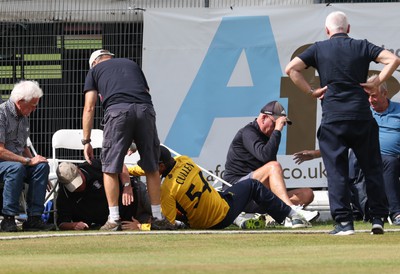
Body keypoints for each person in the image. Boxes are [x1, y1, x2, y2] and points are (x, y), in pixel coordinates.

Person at [285, 11, 400, 235]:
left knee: (336, 171)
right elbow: (394, 60)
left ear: (328, 31)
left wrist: (311, 91)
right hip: (361, 117)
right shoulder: (362, 46)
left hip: (333, 119)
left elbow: (291, 70)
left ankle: (344, 223)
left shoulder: (319, 48)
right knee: (373, 168)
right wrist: (378, 81)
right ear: (348, 29)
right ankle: (378, 218)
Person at [82, 49, 168, 230]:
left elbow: (89, 107)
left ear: (95, 62)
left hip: (117, 112)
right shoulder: (131, 64)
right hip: (145, 110)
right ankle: (158, 218)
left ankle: (113, 220)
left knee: (110, 168)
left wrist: (86, 141)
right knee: (152, 167)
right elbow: (145, 92)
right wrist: (135, 136)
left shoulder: (95, 71)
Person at [128, 146, 310, 230]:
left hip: (212, 219)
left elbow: (165, 226)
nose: (146, 168)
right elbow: (153, 169)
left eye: (148, 165)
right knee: (251, 186)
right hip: (221, 208)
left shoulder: (167, 189)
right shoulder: (184, 160)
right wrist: (129, 170)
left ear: (160, 166)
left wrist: (141, 227)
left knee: (172, 211)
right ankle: (291, 216)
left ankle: (241, 219)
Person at [223, 100, 319, 226]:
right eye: (275, 124)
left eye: (280, 125)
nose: (276, 128)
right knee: (273, 166)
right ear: (263, 118)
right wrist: (277, 131)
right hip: (235, 191)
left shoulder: (267, 138)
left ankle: (272, 216)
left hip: (257, 195)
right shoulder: (248, 132)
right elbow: (266, 157)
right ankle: (292, 212)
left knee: (307, 194)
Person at [0, 80, 56, 232]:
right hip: (4, 163)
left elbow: (23, 146)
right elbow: (0, 150)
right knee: (16, 168)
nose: (35, 108)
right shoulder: (1, 114)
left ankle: (34, 218)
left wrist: (36, 164)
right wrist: (28, 160)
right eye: (33, 105)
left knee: (41, 166)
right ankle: (8, 218)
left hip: (16, 162)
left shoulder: (23, 117)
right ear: (19, 102)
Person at [55, 159, 151, 230]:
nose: (78, 187)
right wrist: (74, 225)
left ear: (78, 170)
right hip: (129, 222)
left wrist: (127, 186)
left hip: (138, 194)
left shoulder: (92, 166)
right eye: (73, 186)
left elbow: (119, 164)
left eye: (78, 181)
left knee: (161, 216)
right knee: (158, 226)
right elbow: (61, 223)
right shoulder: (64, 195)